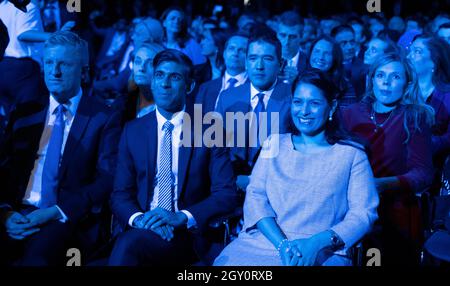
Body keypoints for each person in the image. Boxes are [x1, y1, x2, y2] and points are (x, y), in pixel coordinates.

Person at [214, 69, 379, 266]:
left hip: (323, 249)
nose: (304, 111)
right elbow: (256, 197)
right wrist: (283, 244)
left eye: (315, 103)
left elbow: (363, 214)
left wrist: (316, 243)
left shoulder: (352, 154)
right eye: (298, 102)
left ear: (332, 107)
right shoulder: (273, 144)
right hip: (265, 241)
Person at [0, 31, 122, 266]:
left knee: (37, 259)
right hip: (16, 212)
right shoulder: (27, 111)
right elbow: (5, 169)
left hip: (64, 218)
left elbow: (107, 179)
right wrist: (4, 212)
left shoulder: (103, 117)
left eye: (64, 64)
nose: (54, 71)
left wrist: (57, 211)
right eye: (49, 63)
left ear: (83, 71)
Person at [108, 49, 238, 266]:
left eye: (174, 77)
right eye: (159, 75)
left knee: (129, 245)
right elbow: (120, 194)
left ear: (189, 86)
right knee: (131, 242)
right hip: (144, 227)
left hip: (189, 234)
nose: (164, 83)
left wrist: (181, 217)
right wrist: (141, 220)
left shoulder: (210, 130)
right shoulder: (133, 131)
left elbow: (226, 195)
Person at [340, 53, 435, 265]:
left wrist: (382, 185)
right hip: (349, 209)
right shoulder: (350, 114)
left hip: (393, 212)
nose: (386, 82)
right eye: (380, 75)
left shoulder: (415, 117)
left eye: (395, 77)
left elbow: (423, 174)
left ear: (407, 84)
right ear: (371, 79)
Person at [215, 33, 292, 189]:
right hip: (231, 187)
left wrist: (253, 180)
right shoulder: (227, 97)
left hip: (278, 187)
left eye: (267, 59)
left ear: (281, 64)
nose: (259, 66)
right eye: (253, 58)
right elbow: (216, 150)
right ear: (246, 63)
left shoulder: (293, 99)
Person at [407, 34, 450, 191]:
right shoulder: (402, 89)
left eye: (417, 51)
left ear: (434, 61)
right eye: (409, 50)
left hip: (436, 169)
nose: (409, 56)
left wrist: (425, 145)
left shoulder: (447, 94)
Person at [195, 33, 248, 114]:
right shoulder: (205, 88)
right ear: (224, 53)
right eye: (231, 48)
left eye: (242, 50)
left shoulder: (257, 88)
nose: (235, 53)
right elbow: (196, 122)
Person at [307, 35, 355, 107]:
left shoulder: (345, 86)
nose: (321, 57)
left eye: (327, 53)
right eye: (317, 51)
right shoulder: (301, 80)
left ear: (335, 59)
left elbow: (348, 115)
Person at [276, 11, 308, 84]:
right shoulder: (264, 59)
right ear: (277, 34)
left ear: (302, 36)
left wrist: (297, 81)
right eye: (283, 35)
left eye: (292, 37)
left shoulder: (310, 64)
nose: (286, 42)